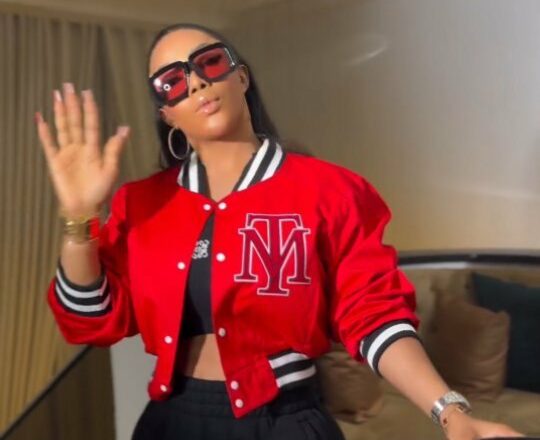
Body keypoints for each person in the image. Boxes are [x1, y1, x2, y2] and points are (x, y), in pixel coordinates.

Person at [35, 22, 525, 440]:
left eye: (208, 63)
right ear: (167, 114)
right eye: (172, 82)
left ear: (241, 75)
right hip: (171, 422)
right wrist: (78, 218)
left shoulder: (329, 191)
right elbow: (91, 319)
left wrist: (450, 412)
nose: (196, 83)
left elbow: (373, 315)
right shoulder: (142, 204)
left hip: (285, 421)